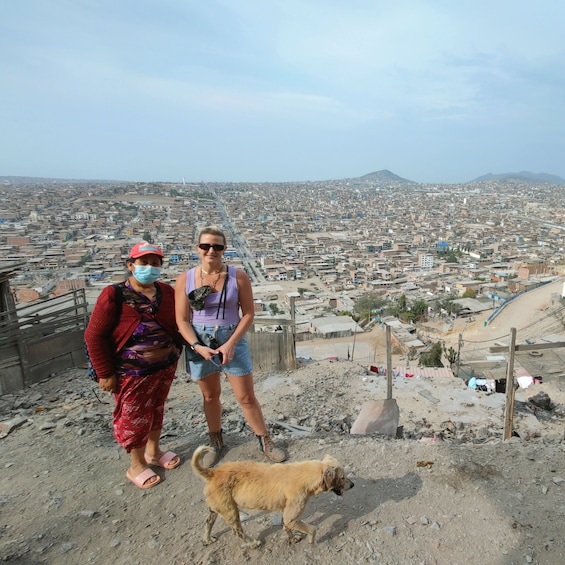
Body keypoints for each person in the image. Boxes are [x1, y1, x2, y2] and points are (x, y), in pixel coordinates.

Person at [175, 226, 287, 468]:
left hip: (231, 336)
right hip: (199, 341)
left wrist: (231, 343)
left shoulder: (238, 277)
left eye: (217, 246)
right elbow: (182, 319)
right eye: (206, 246)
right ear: (198, 248)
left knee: (246, 396)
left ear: (225, 250)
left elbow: (248, 313)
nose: (211, 250)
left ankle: (264, 440)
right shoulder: (186, 279)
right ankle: (216, 441)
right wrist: (196, 346)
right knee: (210, 395)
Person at [85, 241, 184, 489]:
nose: (149, 268)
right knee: (134, 416)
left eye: (155, 263)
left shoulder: (166, 292)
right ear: (131, 265)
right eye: (144, 263)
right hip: (130, 371)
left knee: (156, 409)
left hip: (164, 366)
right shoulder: (114, 294)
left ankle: (154, 452)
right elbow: (93, 336)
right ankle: (136, 464)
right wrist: (104, 373)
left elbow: (177, 322)